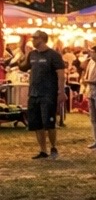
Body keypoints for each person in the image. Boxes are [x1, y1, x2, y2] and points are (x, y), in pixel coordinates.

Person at [18, 30, 65, 160]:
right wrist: (23, 55)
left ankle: (53, 148)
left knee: (49, 122)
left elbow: (61, 74)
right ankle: (43, 150)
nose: (32, 40)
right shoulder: (32, 54)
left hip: (48, 93)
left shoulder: (53, 55)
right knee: (36, 123)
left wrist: (61, 91)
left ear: (42, 39)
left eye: (35, 38)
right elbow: (23, 67)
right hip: (34, 93)